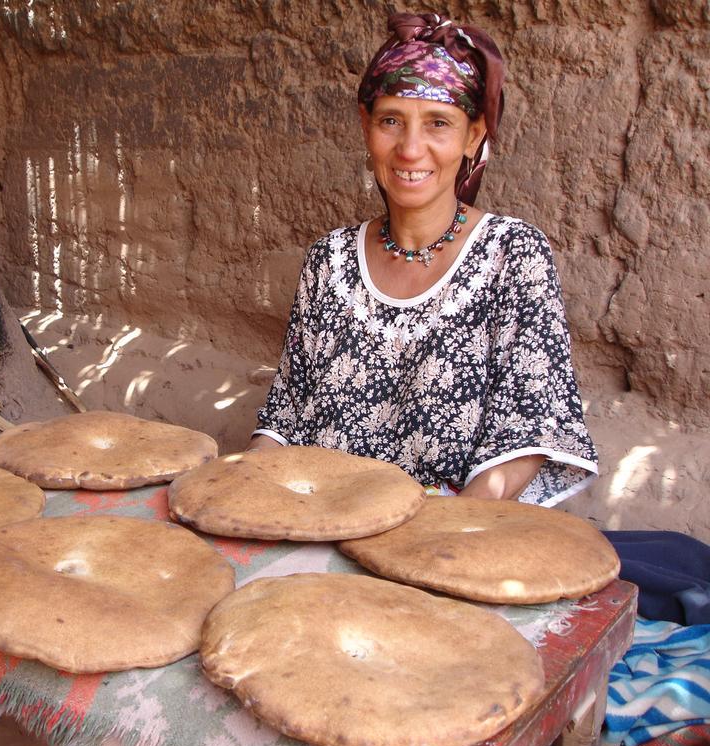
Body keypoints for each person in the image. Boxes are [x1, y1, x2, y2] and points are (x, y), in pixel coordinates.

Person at [248, 12, 597, 506]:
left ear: (473, 136)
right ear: (366, 128)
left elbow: (528, 431)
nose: (411, 149)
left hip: (446, 536)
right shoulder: (329, 260)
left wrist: (435, 542)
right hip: (323, 517)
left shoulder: (512, 254)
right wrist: (242, 491)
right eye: (391, 121)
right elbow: (283, 419)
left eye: (438, 123)